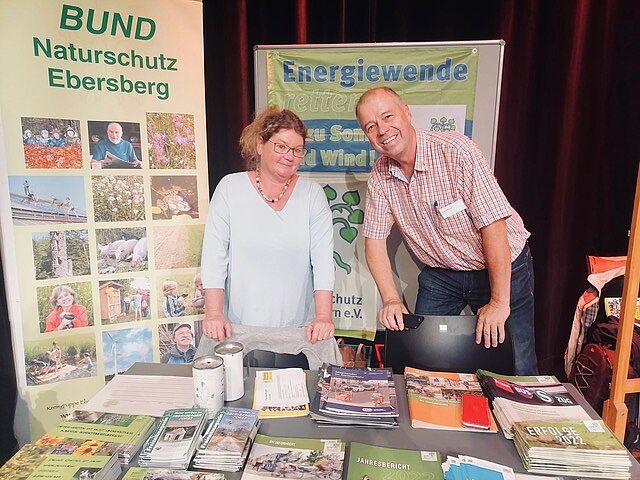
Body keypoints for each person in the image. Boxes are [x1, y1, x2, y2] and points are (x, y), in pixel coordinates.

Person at [355, 87, 538, 375]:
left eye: (388, 116)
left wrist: (499, 302)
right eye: (371, 126)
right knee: (420, 360)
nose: (382, 130)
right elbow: (374, 240)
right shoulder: (380, 174)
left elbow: (494, 225)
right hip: (442, 273)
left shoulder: (456, 151)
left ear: (407, 112)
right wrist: (390, 299)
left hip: (500, 264)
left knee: (517, 362)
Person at [200, 107, 335, 345]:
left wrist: (323, 316)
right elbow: (214, 256)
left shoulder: (313, 194)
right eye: (281, 146)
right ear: (260, 145)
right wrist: (213, 313)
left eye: (297, 150)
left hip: (297, 333)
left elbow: (323, 262)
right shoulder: (230, 189)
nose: (289, 156)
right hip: (237, 328)